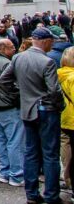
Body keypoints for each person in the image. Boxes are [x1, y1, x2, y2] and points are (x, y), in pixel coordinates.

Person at [0, 26, 64, 204]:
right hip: (46, 111)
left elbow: (4, 79)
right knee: (50, 154)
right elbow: (54, 91)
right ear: (45, 41)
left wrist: (20, 93)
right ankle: (51, 195)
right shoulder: (47, 62)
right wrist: (60, 106)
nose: (52, 44)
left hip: (28, 110)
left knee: (31, 153)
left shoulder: (19, 57)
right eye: (51, 41)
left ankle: (32, 194)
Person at [0, 38, 24, 188]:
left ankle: (4, 173)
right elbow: (13, 86)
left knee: (1, 142)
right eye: (11, 47)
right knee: (14, 141)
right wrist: (17, 96)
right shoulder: (6, 64)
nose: (14, 49)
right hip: (7, 107)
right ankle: (16, 174)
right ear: (3, 49)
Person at [58, 47, 74, 193]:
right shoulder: (72, 77)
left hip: (64, 118)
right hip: (73, 119)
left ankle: (67, 177)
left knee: (65, 147)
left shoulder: (59, 74)